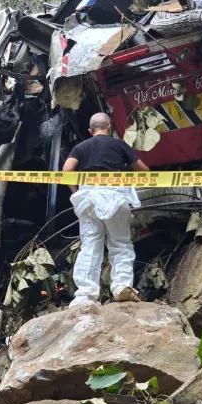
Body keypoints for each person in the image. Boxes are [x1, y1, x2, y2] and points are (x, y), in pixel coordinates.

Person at [62, 112, 150, 307]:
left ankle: (85, 295)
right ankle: (121, 287)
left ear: (90, 130)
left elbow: (67, 170)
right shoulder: (119, 145)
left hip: (88, 199)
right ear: (109, 127)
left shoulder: (81, 147)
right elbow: (144, 171)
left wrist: (76, 192)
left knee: (90, 245)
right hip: (115, 197)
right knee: (120, 243)